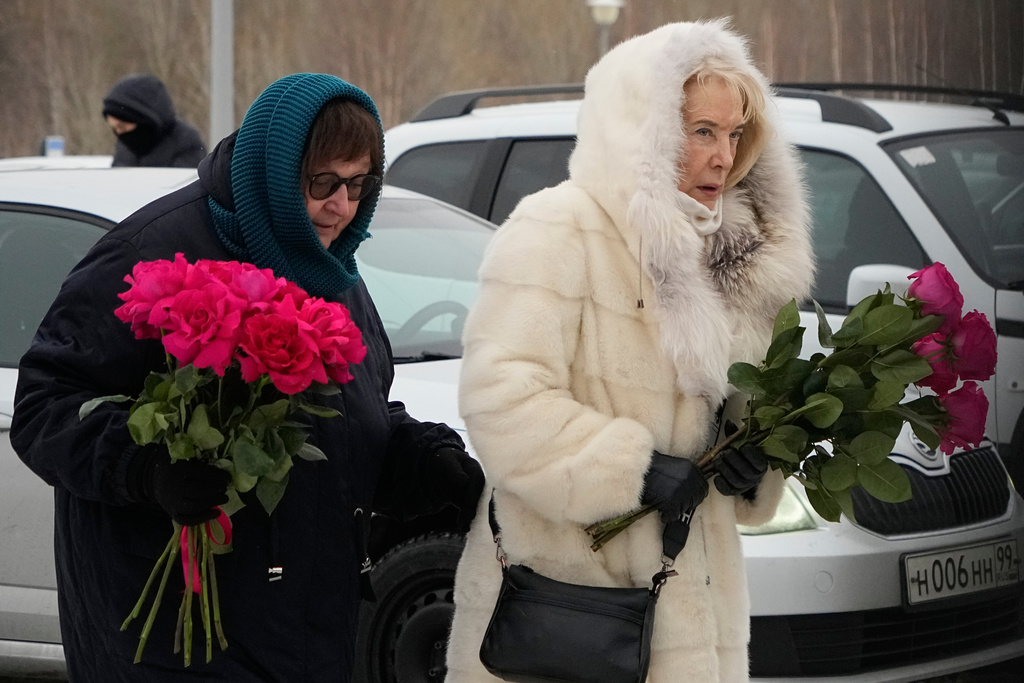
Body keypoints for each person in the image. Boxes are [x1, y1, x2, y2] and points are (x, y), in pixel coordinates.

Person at [12, 73, 484, 681]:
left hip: (305, 630)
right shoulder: (156, 251)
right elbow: (45, 405)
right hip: (172, 638)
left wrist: (422, 461)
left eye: (358, 185)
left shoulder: (333, 272)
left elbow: (344, 417)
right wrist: (148, 469)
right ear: (278, 169)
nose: (341, 206)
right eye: (322, 183)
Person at [444, 19, 814, 683]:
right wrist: (633, 469)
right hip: (567, 603)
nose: (724, 158)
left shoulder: (731, 259)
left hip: (693, 615)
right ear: (641, 128)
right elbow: (500, 399)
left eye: (735, 134)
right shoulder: (558, 228)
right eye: (703, 131)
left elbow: (735, 419)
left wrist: (754, 456)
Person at [102, 73, 207, 167]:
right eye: (114, 128)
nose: (119, 133)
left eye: (123, 126)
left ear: (145, 121)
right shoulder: (125, 147)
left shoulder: (186, 145)